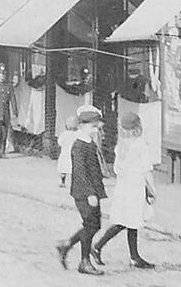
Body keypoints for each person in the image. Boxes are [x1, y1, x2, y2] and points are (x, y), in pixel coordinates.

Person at [91, 112, 156, 270]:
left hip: (123, 185)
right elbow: (146, 169)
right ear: (138, 127)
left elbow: (117, 168)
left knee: (129, 221)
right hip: (135, 186)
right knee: (127, 221)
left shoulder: (121, 146)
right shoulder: (140, 144)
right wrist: (152, 189)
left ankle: (134, 256)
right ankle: (98, 246)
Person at [56, 105, 107, 275]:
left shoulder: (88, 142)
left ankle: (67, 245)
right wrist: (90, 193)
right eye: (93, 126)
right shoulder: (79, 145)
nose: (96, 130)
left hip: (91, 191)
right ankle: (84, 261)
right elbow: (80, 171)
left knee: (94, 224)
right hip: (83, 192)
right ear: (83, 126)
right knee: (91, 225)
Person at [57, 115, 79, 188]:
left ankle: (63, 181)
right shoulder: (77, 134)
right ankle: (75, 183)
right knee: (74, 168)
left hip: (65, 153)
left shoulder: (64, 134)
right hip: (74, 153)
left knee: (63, 168)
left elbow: (60, 142)